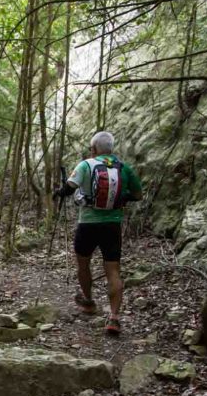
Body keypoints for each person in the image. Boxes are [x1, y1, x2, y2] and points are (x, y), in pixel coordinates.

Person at [53, 131, 142, 335]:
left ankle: (89, 301)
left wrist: (59, 192)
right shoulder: (124, 168)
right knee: (113, 271)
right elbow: (138, 195)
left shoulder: (85, 165)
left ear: (93, 149)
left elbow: (69, 188)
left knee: (83, 264)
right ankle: (114, 318)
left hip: (87, 225)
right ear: (111, 149)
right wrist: (122, 198)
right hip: (112, 225)